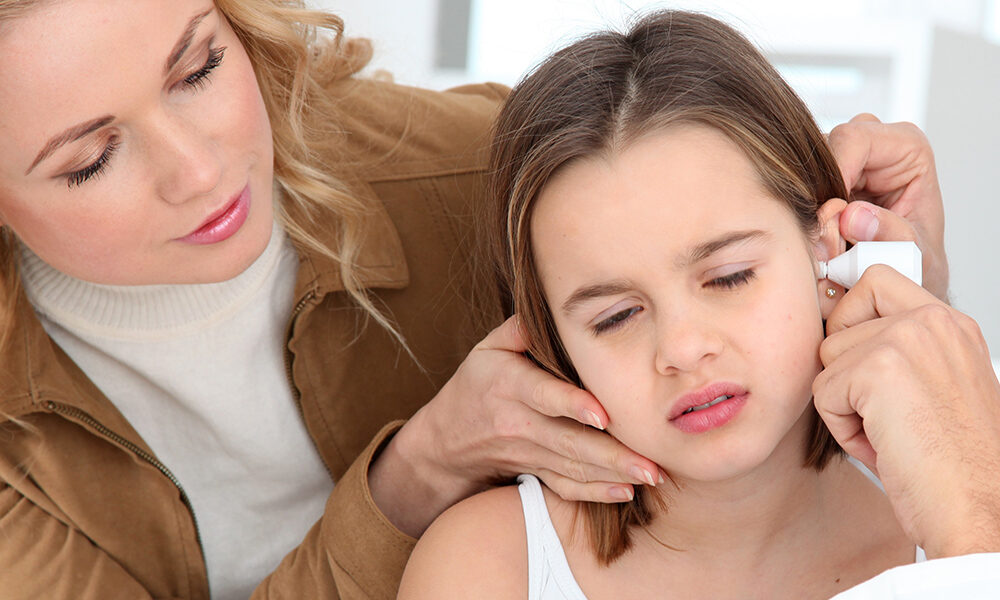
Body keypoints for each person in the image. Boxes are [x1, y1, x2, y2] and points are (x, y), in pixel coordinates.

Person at [0, 1, 991, 599]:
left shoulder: (487, 169)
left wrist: (895, 303)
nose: (199, 171)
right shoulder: (486, 565)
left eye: (202, 66)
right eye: (88, 160)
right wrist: (417, 473)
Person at [398, 10, 1000, 599]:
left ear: (826, 251)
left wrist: (974, 538)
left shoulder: (975, 513)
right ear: (555, 346)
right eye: (616, 317)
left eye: (729, 278)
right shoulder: (485, 568)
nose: (683, 349)